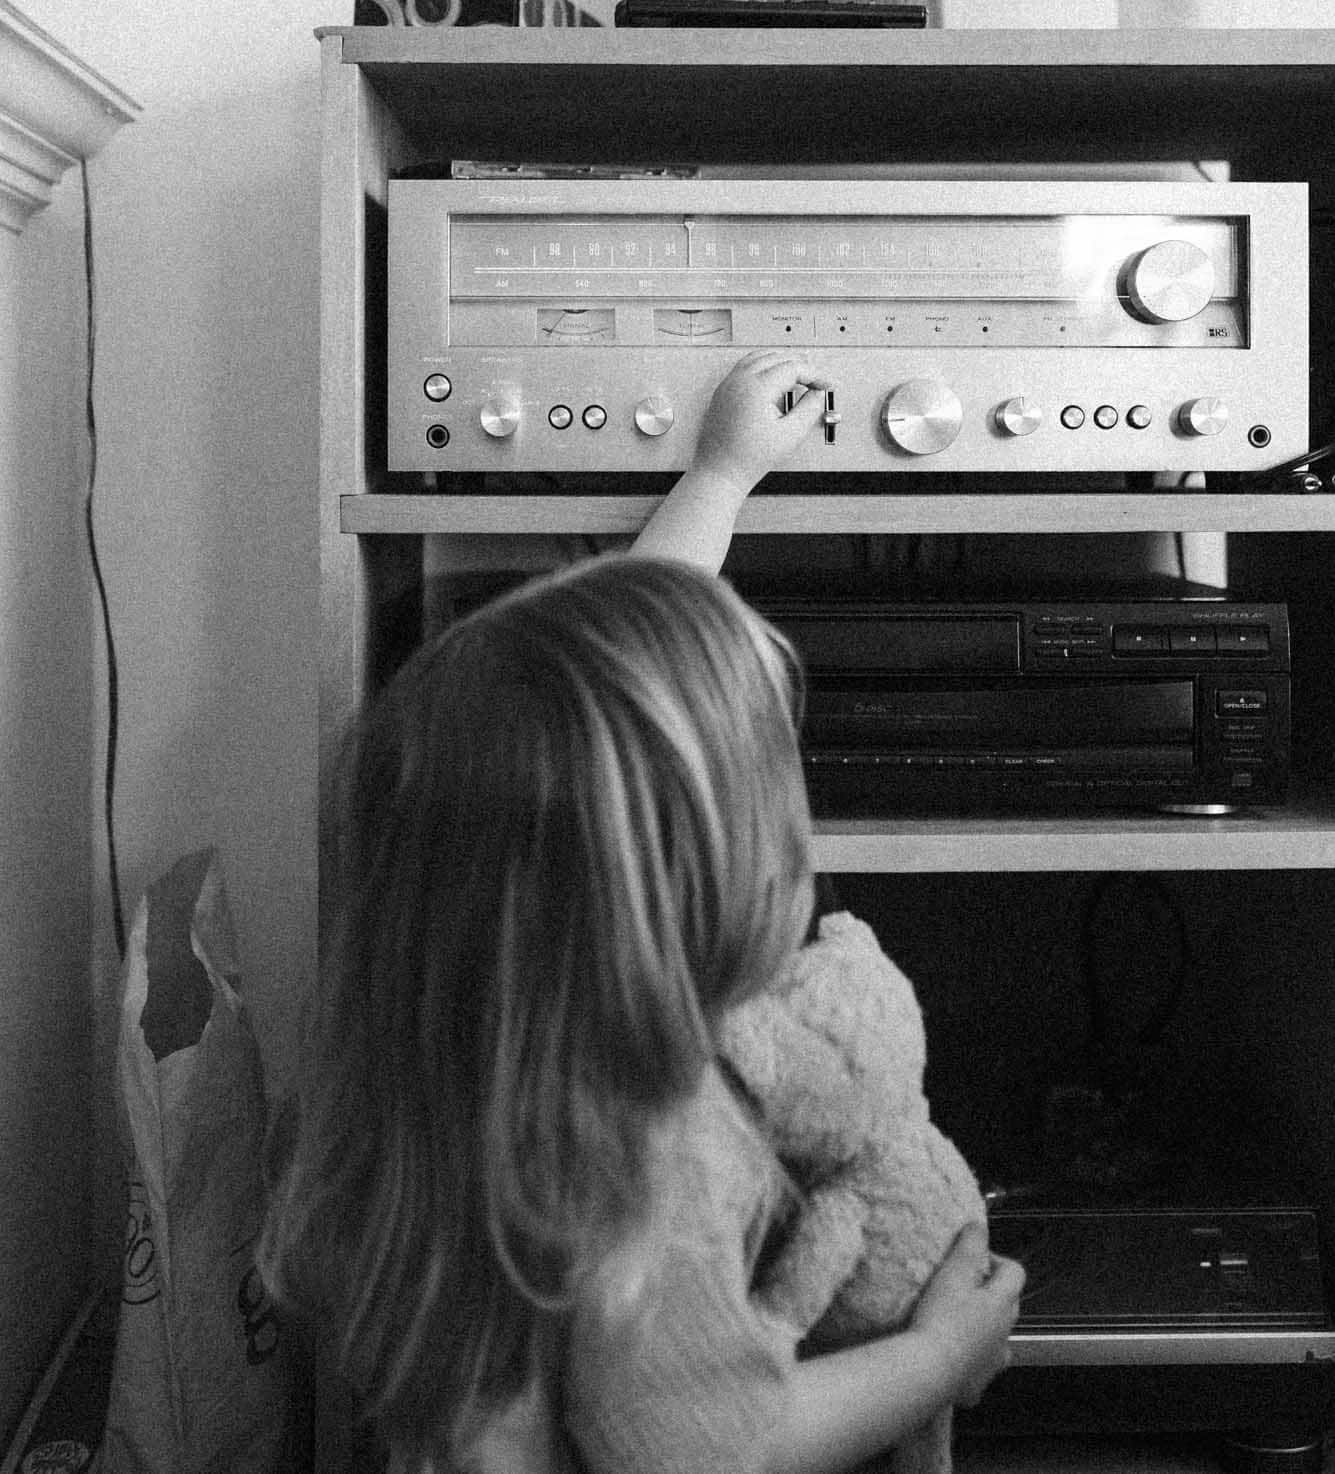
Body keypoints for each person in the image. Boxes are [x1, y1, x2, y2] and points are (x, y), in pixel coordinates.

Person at [259, 352, 1024, 1474]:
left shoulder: (449, 1065)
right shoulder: (651, 1152)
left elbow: (588, 722)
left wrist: (718, 478)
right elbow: (715, 1455)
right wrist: (939, 1358)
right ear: (694, 881)